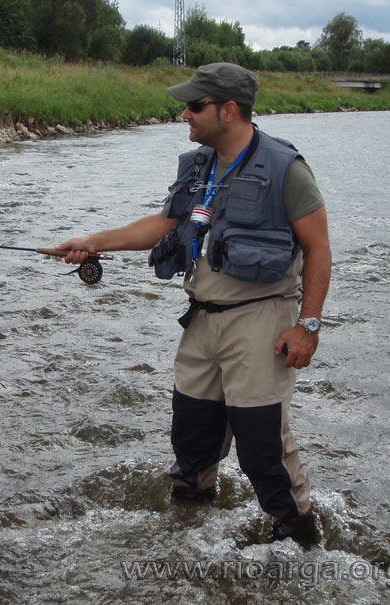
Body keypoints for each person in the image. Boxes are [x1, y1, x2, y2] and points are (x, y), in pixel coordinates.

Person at [55, 63, 331, 547]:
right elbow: (164, 225)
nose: (185, 114)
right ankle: (187, 533)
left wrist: (307, 326)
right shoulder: (199, 165)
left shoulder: (287, 169)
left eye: (195, 105)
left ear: (229, 110)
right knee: (192, 436)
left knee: (262, 445)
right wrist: (92, 241)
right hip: (202, 319)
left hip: (262, 319)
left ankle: (301, 541)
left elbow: (319, 248)